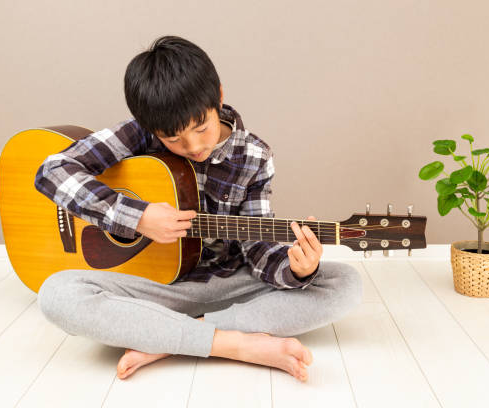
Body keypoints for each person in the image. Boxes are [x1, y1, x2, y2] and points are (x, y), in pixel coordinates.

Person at [34, 35, 363, 383]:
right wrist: (138, 217)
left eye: (201, 128)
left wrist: (296, 268)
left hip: (226, 283)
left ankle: (171, 336)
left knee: (343, 283)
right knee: (56, 294)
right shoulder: (141, 134)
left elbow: (258, 248)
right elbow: (52, 171)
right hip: (152, 286)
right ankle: (232, 343)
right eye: (172, 139)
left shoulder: (253, 155)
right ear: (150, 126)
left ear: (218, 97)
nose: (192, 146)